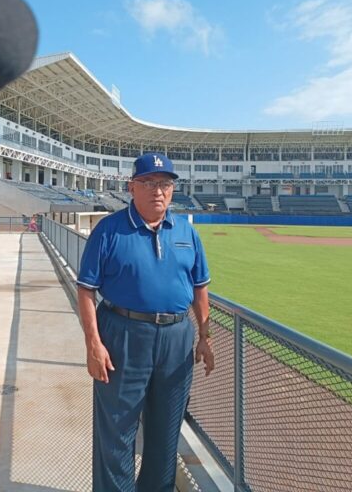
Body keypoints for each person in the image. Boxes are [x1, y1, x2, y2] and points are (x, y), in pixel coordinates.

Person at [76, 152, 214, 492]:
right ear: (131, 187)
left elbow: (201, 288)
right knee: (117, 432)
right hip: (123, 335)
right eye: (149, 183)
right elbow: (86, 290)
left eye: (165, 184)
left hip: (177, 339)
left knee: (166, 433)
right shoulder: (109, 230)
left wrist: (205, 337)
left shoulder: (185, 231)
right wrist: (93, 344)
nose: (158, 191)